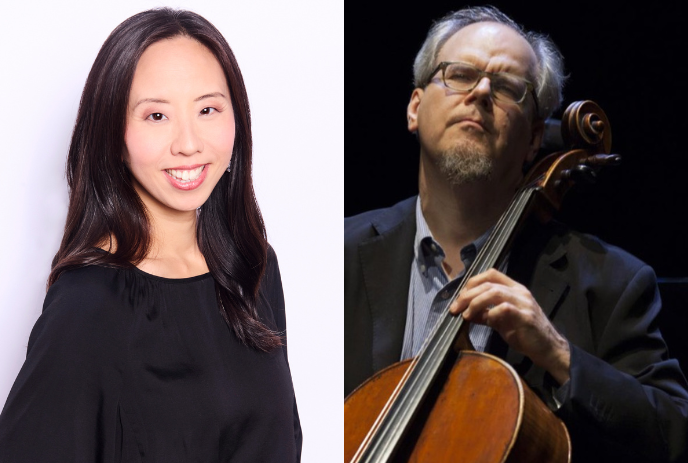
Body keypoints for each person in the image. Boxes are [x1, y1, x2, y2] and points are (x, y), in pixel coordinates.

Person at [344, 6, 688, 462]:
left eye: (507, 88)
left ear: (531, 141)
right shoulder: (333, 255)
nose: (482, 91)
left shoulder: (611, 282)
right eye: (460, 74)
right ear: (415, 107)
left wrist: (559, 354)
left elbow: (675, 436)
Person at [0, 8, 301, 462]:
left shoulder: (253, 267)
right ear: (114, 136)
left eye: (207, 109)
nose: (188, 142)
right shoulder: (88, 306)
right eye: (156, 116)